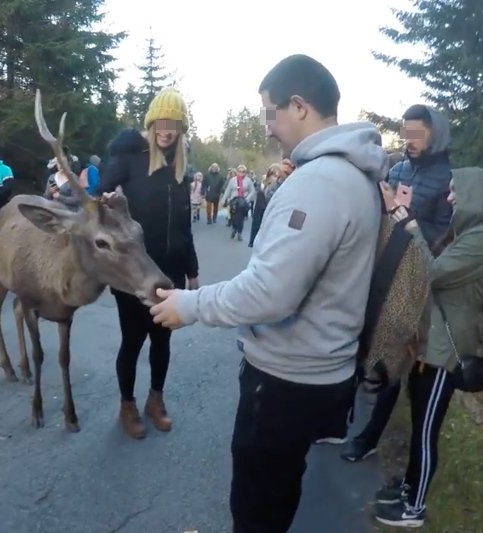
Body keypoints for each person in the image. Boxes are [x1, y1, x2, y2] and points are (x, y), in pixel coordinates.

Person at [149, 54, 388, 532]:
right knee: (280, 491)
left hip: (286, 383)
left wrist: (188, 305)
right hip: (321, 373)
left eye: (269, 113)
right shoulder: (355, 175)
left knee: (257, 509)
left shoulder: (318, 183)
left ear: (298, 106)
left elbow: (270, 293)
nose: (266, 128)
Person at [372, 167, 483, 528]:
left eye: (454, 191)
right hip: (432, 345)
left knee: (426, 431)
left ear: (475, 194)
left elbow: (431, 272)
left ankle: (414, 509)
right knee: (419, 427)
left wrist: (406, 221)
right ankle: (409, 489)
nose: (449, 198)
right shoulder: (469, 233)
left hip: (447, 352)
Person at [340, 104, 454, 461]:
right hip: (380, 266)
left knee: (393, 356)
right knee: (360, 338)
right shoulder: (399, 167)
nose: (411, 140)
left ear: (435, 134)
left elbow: (440, 238)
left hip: (412, 278)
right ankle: (336, 418)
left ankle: (370, 437)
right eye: (407, 133)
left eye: (418, 133)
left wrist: (403, 216)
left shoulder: (447, 179)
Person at [100, 87, 199, 440]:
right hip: (133, 270)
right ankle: (126, 405)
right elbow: (101, 196)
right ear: (152, 123)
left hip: (169, 270)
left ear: (180, 128)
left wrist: (192, 270)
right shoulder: (131, 157)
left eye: (173, 123)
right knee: (132, 339)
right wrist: (108, 199)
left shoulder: (180, 169)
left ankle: (155, 400)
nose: (166, 129)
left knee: (162, 339)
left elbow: (184, 224)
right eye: (161, 122)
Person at [247, 164, 280, 247]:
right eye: (273, 175)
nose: (274, 178)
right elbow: (256, 217)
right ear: (269, 176)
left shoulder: (281, 188)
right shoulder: (262, 189)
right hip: (262, 216)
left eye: (276, 176)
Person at [222, 164, 256, 241]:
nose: (241, 173)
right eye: (239, 171)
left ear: (245, 172)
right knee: (233, 217)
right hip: (234, 200)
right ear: (237, 172)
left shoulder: (248, 180)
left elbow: (252, 191)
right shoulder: (233, 180)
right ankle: (234, 228)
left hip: (243, 201)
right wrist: (224, 199)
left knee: (240, 218)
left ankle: (239, 232)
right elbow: (228, 190)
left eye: (243, 171)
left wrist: (247, 199)